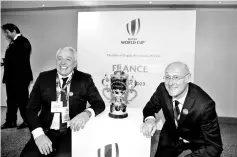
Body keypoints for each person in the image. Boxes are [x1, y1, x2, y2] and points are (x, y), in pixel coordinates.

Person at [20, 47, 105, 157]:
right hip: (46, 129)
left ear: (75, 63)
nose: (63, 62)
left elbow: (99, 103)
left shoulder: (85, 79)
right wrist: (38, 134)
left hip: (71, 131)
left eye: (68, 59)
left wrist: (86, 113)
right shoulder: (43, 78)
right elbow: (30, 108)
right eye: (59, 58)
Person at [141, 61, 223, 157]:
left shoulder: (205, 105)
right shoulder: (162, 89)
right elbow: (149, 108)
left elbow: (215, 146)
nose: (170, 83)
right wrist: (150, 119)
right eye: (167, 77)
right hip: (171, 134)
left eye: (176, 77)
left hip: (197, 139)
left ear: (187, 78)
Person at [1, 23, 33, 129]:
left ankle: (28, 121)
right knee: (11, 101)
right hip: (12, 77)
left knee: (22, 100)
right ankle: (10, 122)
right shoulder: (14, 42)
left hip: (20, 78)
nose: (6, 34)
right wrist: (4, 62)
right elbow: (14, 58)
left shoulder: (23, 42)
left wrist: (8, 62)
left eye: (7, 32)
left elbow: (20, 60)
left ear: (14, 30)